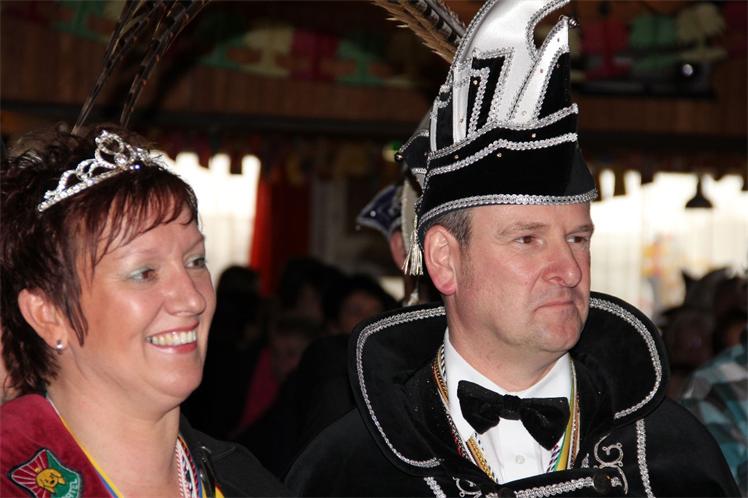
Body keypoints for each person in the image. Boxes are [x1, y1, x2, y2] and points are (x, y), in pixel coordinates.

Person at [285, 0, 739, 496]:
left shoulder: (672, 455)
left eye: (577, 239)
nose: (569, 270)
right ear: (444, 260)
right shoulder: (348, 471)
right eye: (527, 239)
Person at [0, 126, 288, 497]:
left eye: (196, 261)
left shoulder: (246, 482)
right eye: (144, 273)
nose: (193, 299)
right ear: (48, 314)